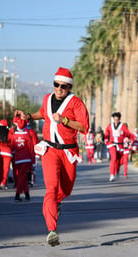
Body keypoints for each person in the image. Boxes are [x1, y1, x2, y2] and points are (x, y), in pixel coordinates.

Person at [18, 67, 89, 246]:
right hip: (49, 150)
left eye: (63, 86)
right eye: (56, 85)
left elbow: (84, 127)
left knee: (66, 189)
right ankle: (52, 230)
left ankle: (56, 203)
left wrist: (65, 120)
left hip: (68, 151)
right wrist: (28, 116)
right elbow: (43, 113)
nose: (59, 89)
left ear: (69, 88)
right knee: (51, 188)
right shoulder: (47, 99)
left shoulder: (76, 103)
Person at [10, 115, 36, 202]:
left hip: (18, 159)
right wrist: (33, 161)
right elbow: (31, 149)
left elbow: (12, 147)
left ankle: (27, 195)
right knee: (22, 177)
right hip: (26, 159)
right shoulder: (27, 136)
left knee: (23, 176)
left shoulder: (14, 135)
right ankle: (17, 195)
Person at [104, 112, 131, 182]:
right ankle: (112, 174)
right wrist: (106, 139)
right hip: (112, 144)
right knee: (114, 158)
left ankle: (117, 171)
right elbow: (106, 132)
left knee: (119, 161)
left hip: (120, 145)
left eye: (117, 120)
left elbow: (127, 133)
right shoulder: (110, 126)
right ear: (113, 119)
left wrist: (127, 137)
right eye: (115, 120)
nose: (116, 121)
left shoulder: (123, 126)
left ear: (119, 119)